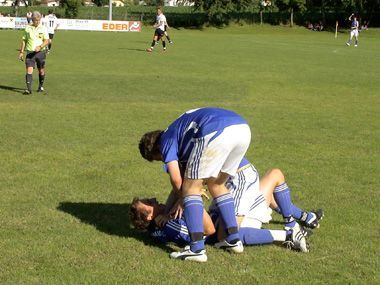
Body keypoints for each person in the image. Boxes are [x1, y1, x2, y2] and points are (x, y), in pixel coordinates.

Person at [139, 108, 251, 262]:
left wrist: (184, 199)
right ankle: (233, 239)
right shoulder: (180, 135)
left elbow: (177, 181)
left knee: (190, 189)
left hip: (215, 131)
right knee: (217, 184)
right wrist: (176, 202)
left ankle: (196, 249)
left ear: (156, 149)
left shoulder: (165, 140)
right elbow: (180, 186)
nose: (164, 161)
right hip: (243, 129)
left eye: (160, 159)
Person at [18, 11, 49, 95]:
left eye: (39, 20)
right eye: (36, 20)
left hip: (41, 53)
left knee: (41, 70)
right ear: (32, 19)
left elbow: (47, 41)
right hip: (30, 53)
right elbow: (24, 40)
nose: (38, 22)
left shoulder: (43, 28)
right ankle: (29, 90)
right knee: (29, 70)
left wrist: (40, 46)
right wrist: (21, 52)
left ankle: (40, 86)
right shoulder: (27, 28)